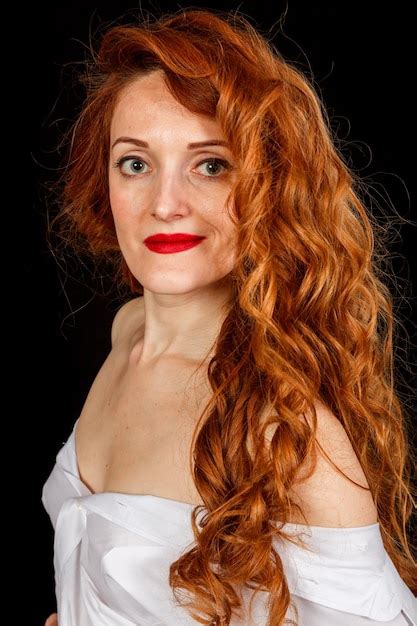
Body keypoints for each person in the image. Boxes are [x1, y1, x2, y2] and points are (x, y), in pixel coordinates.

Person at [41, 8, 417, 626]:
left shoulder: (287, 429)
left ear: (268, 185)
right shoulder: (128, 330)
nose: (165, 204)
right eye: (135, 163)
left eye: (210, 165)